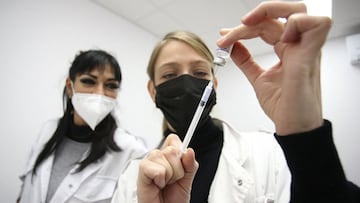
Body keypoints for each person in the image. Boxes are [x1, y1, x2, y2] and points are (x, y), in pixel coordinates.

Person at [134, 1, 360, 203]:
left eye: (200, 73)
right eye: (170, 75)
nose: (185, 83)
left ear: (214, 85)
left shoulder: (268, 153)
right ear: (152, 91)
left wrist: (305, 137)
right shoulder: (132, 176)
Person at [17, 50, 148, 203]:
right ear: (69, 86)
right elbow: (25, 189)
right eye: (89, 81)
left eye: (110, 85)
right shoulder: (48, 130)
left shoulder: (131, 151)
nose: (99, 93)